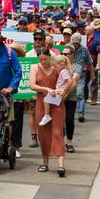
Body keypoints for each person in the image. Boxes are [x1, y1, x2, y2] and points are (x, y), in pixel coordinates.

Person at [29, 48, 68, 177]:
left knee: (57, 133)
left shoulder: (56, 67)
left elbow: (71, 81)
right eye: (40, 59)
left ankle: (61, 166)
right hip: (42, 103)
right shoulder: (35, 67)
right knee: (43, 134)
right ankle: (45, 163)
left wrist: (64, 92)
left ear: (50, 57)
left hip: (56, 104)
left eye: (45, 59)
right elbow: (32, 85)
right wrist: (45, 88)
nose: (43, 61)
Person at [39, 55, 72, 126]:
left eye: (55, 66)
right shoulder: (64, 71)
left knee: (46, 99)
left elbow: (70, 81)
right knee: (48, 99)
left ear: (62, 64)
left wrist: (64, 90)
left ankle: (46, 115)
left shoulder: (63, 71)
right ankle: (47, 115)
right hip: (59, 90)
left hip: (59, 91)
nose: (54, 68)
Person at [62, 46, 82, 152]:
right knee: (59, 120)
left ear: (72, 55)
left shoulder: (77, 67)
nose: (64, 56)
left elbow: (73, 81)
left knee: (69, 119)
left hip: (71, 97)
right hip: (58, 97)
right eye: (62, 54)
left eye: (66, 54)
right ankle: (59, 142)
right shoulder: (59, 66)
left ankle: (69, 142)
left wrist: (65, 93)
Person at [71, 32, 94, 122]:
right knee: (69, 94)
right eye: (74, 42)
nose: (75, 44)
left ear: (80, 42)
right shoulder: (68, 48)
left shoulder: (84, 50)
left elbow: (90, 62)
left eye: (77, 43)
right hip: (70, 73)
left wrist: (92, 74)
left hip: (81, 74)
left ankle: (81, 113)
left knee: (80, 93)